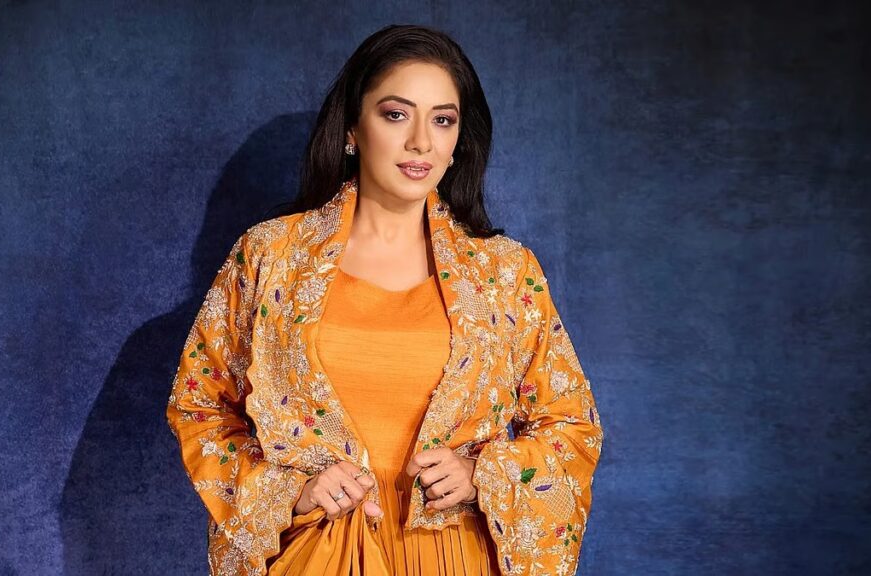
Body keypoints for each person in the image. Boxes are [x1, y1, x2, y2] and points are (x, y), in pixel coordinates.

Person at [166, 24, 604, 576]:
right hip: (317, 555)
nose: (421, 141)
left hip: (454, 556)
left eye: (442, 120)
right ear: (353, 128)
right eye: (396, 114)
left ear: (459, 140)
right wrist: (288, 491)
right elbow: (200, 406)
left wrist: (483, 476)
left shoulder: (504, 274)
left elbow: (571, 425)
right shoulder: (271, 257)